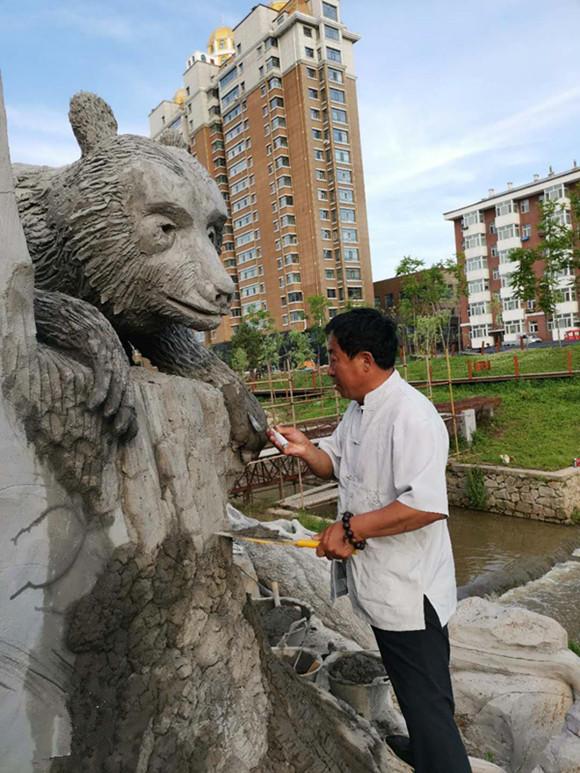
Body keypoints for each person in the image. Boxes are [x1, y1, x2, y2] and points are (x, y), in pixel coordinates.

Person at [267, 308, 470, 773]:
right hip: (383, 588)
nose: (328, 367)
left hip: (409, 592)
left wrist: (352, 529)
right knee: (418, 692)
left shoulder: (410, 416)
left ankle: (440, 758)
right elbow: (333, 464)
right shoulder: (359, 411)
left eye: (333, 357)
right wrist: (304, 450)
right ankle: (427, 750)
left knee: (427, 701)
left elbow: (426, 506)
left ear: (363, 360)